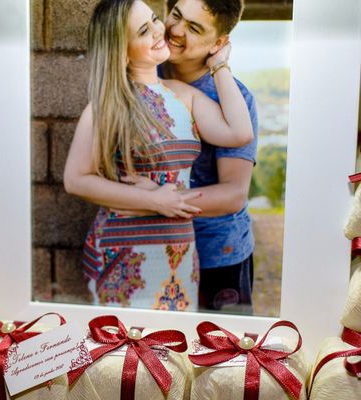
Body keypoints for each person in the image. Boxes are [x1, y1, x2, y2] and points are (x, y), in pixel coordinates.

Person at [63, 0, 252, 311]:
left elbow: (238, 133)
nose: (158, 31)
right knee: (125, 353)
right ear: (122, 51)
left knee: (172, 349)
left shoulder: (183, 94)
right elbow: (75, 179)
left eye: (154, 19)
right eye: (143, 30)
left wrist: (220, 64)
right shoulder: (108, 105)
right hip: (123, 253)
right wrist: (154, 201)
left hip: (179, 253)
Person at [159, 0, 258, 314]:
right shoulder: (144, 74)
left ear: (218, 43)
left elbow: (233, 194)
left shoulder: (235, 100)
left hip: (216, 253)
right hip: (152, 247)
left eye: (194, 27)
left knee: (222, 354)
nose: (175, 30)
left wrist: (153, 202)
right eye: (176, 16)